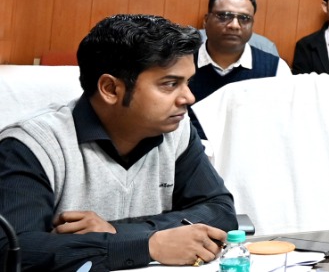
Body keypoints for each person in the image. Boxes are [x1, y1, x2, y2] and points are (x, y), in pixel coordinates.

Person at [0, 14, 238, 272]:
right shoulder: (31, 146)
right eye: (170, 84)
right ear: (110, 89)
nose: (189, 98)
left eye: (188, 82)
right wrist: (147, 246)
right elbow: (13, 251)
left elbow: (220, 212)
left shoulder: (177, 132)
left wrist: (119, 233)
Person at [188, 0, 288, 100]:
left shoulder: (276, 69)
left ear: (252, 24)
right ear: (206, 21)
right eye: (224, 16)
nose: (234, 25)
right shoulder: (181, 60)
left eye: (244, 18)